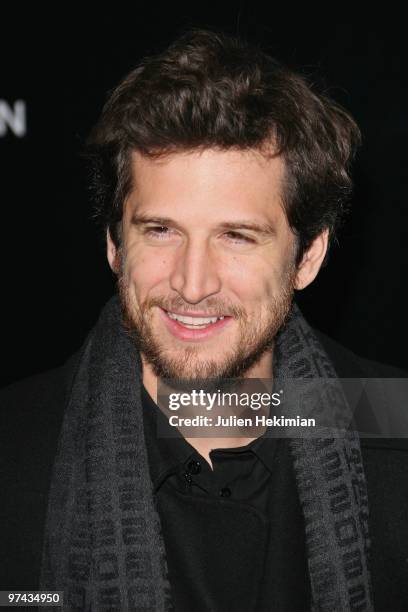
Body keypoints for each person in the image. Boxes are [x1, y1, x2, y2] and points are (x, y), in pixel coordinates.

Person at [1, 29, 407, 611]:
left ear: (308, 257)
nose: (193, 284)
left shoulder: (395, 438)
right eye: (161, 231)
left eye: (237, 237)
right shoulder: (14, 451)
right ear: (115, 245)